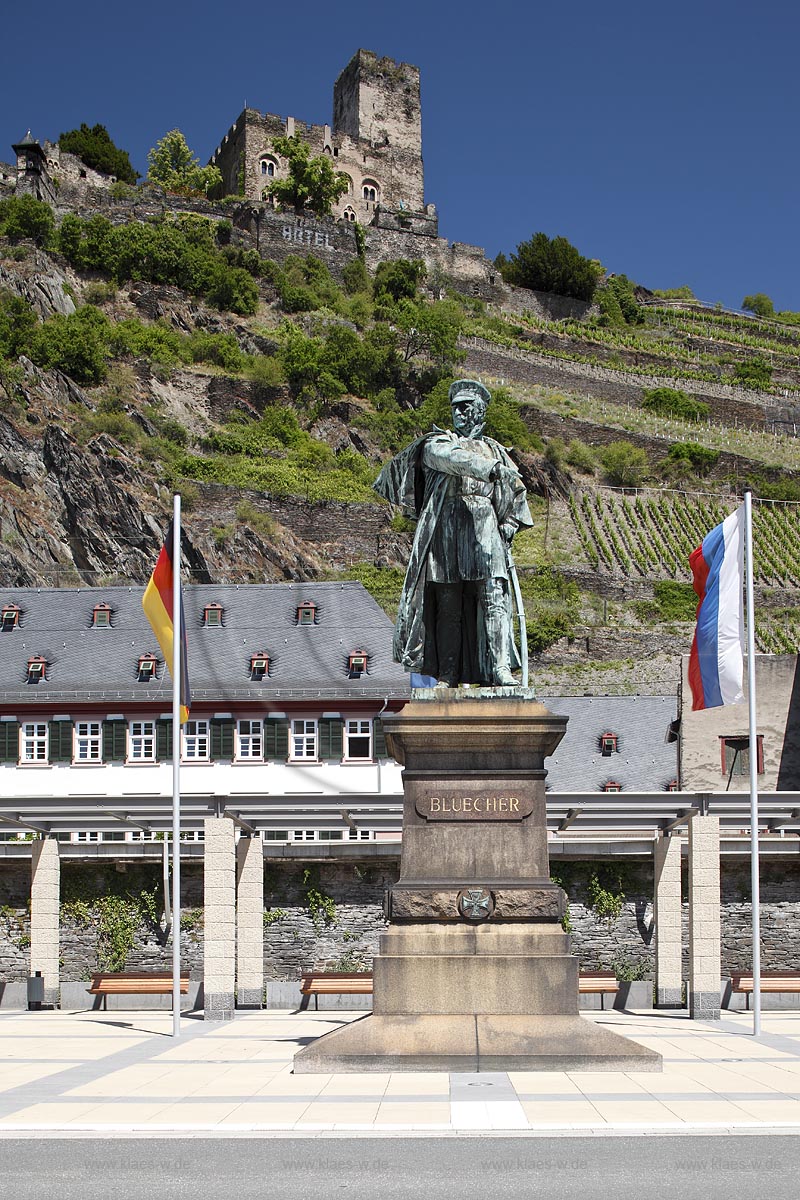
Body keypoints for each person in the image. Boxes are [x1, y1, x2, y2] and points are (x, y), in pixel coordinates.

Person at [374, 379, 532, 687]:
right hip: (446, 527)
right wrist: (490, 469)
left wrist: (509, 526)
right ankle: (446, 673)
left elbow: (516, 495)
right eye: (455, 407)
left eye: (465, 406)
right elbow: (451, 460)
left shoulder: (497, 451)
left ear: (479, 410)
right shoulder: (438, 443)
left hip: (485, 528)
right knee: (447, 604)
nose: (458, 412)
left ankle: (500, 668)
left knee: (494, 599)